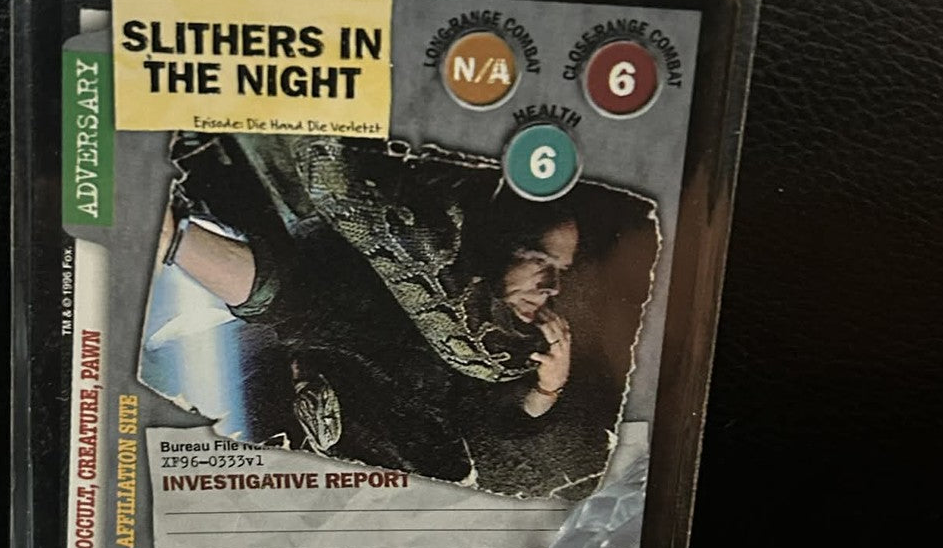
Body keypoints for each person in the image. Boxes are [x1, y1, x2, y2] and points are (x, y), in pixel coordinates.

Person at [154, 135, 637, 495]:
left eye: (561, 272)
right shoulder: (408, 291)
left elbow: (495, 426)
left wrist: (548, 388)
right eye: (539, 260)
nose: (551, 287)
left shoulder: (513, 346)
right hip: (283, 254)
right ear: (494, 244)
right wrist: (179, 242)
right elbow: (295, 301)